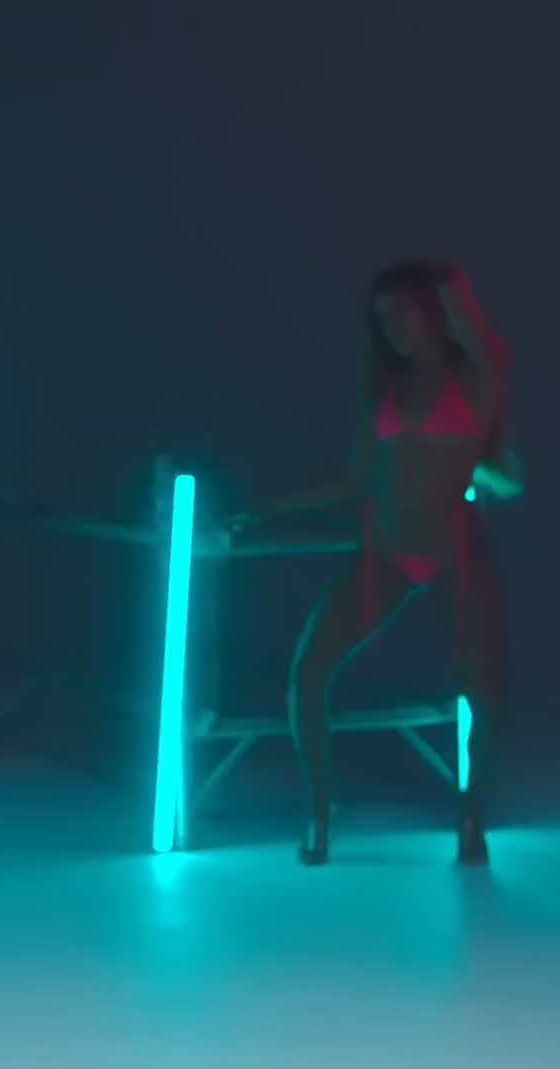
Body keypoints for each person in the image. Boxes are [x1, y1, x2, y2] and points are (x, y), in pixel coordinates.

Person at [225, 258, 520, 866]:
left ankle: (471, 816)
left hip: (454, 551)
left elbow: (482, 338)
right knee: (309, 671)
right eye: (382, 318)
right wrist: (268, 512)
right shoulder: (384, 390)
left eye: (403, 311)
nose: (393, 327)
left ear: (434, 312)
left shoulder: (475, 379)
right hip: (384, 552)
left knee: (486, 690)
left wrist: (442, 279)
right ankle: (319, 813)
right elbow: (357, 481)